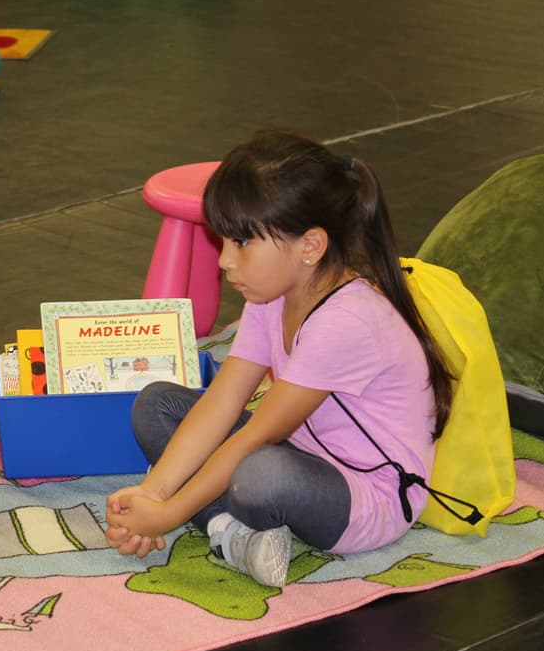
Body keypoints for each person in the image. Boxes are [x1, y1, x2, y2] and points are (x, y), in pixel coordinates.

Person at [105, 131, 452, 587]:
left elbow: (257, 435)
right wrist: (154, 493)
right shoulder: (269, 296)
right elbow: (221, 402)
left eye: (242, 243)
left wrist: (167, 514)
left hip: (368, 496)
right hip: (299, 452)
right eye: (223, 240)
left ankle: (217, 520)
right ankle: (228, 533)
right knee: (156, 405)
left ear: (310, 246)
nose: (225, 261)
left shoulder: (347, 321)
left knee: (257, 475)